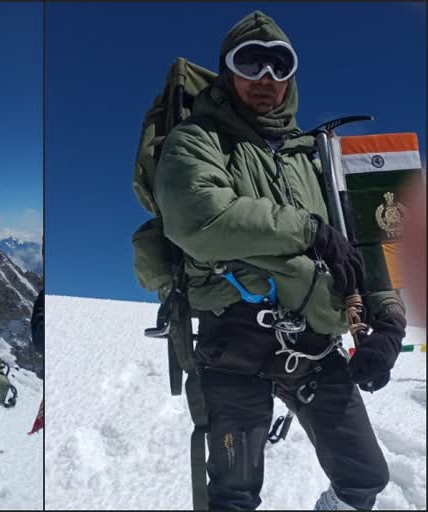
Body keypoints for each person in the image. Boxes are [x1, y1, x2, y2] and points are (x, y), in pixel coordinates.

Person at [154, 11, 407, 510]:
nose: (265, 78)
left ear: (291, 75)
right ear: (228, 73)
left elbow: (369, 248)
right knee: (234, 494)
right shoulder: (198, 139)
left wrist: (390, 323)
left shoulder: (315, 158)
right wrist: (310, 229)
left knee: (366, 478)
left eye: (278, 64)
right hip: (234, 343)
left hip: (314, 343)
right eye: (250, 63)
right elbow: (199, 221)